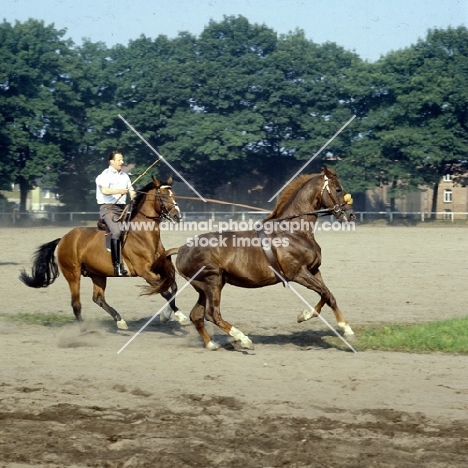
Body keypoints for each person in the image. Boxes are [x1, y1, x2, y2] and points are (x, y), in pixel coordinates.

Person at [96, 150, 136, 276]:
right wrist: (120, 191)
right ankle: (117, 265)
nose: (122, 162)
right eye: (119, 160)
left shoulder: (125, 176)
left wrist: (134, 196)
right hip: (108, 208)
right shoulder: (104, 175)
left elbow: (131, 190)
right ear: (111, 161)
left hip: (122, 209)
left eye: (122, 159)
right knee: (117, 232)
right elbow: (105, 190)